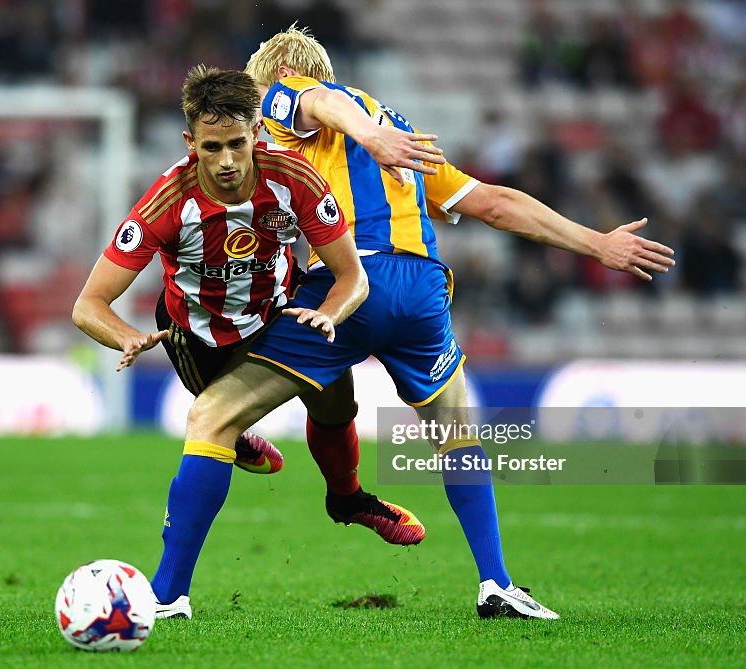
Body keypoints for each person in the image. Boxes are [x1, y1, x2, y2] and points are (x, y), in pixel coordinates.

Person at [145, 27, 675, 621]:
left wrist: (363, 133)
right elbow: (494, 205)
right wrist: (595, 243)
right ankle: (495, 582)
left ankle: (167, 596)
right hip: (422, 294)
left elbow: (317, 99)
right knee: (455, 431)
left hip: (351, 286)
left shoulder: (301, 99)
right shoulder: (400, 129)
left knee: (211, 417)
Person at [72, 65, 422, 620]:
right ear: (191, 143)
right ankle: (174, 585)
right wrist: (128, 337)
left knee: (336, 397)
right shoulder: (168, 202)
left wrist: (330, 314)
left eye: (239, 142)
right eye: (213, 147)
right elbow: (87, 305)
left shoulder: (296, 180)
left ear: (258, 131)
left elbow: (353, 276)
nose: (229, 160)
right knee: (214, 421)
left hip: (276, 318)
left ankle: (348, 499)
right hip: (198, 339)